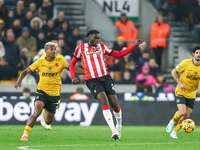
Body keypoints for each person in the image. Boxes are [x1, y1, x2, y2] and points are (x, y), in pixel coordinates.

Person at [69, 29, 144, 140]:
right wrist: (73, 77)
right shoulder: (80, 48)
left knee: (115, 104)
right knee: (104, 101)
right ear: (89, 37)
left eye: (98, 38)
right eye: (95, 38)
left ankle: (119, 125)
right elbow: (72, 64)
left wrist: (134, 45)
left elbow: (118, 54)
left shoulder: (102, 47)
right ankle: (113, 130)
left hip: (105, 78)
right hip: (92, 80)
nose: (97, 40)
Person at [14, 42, 84, 141]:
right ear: (46, 51)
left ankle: (45, 113)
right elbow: (25, 71)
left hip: (54, 94)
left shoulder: (60, 61)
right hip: (42, 91)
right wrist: (19, 81)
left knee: (48, 121)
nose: (54, 51)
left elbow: (73, 68)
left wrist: (87, 72)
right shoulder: (40, 62)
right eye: (51, 49)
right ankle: (25, 135)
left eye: (55, 49)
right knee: (36, 111)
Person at [166, 46, 200, 139]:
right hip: (181, 91)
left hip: (192, 93)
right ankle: (172, 121)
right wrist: (179, 83)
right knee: (182, 112)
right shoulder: (185, 63)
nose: (198, 55)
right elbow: (174, 72)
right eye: (197, 53)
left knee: (187, 115)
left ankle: (174, 132)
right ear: (193, 54)